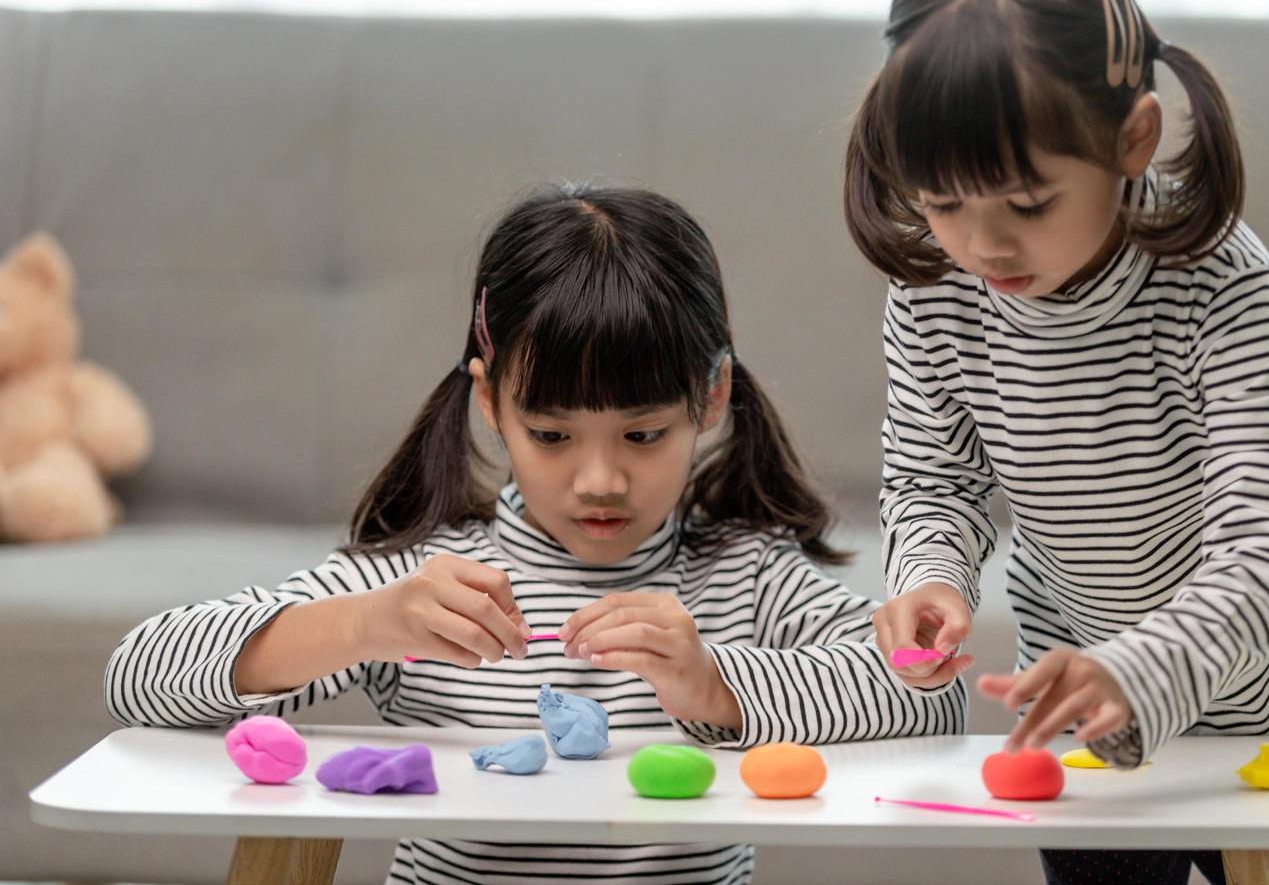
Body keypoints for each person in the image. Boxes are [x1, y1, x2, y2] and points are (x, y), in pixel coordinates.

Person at [107, 183, 967, 885]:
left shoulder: (745, 578)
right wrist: (363, 623)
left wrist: (714, 687)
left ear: (710, 399)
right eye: (552, 436)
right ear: (490, 403)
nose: (600, 480)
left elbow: (932, 698)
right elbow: (139, 677)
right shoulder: (424, 583)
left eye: (643, 434)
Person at [844, 0, 1269, 885]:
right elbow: (935, 477)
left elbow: (1265, 546)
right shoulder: (930, 293)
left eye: (1028, 203)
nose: (982, 246)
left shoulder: (1220, 282)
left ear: (1132, 138)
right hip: (1081, 707)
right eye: (942, 202)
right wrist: (930, 579)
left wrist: (1137, 671)